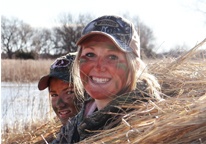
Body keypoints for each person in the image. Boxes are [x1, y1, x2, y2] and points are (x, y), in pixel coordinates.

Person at [53, 15, 161, 143]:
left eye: (112, 57)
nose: (98, 67)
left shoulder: (148, 124)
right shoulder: (77, 122)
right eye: (90, 54)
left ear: (136, 67)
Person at [38, 53, 82, 126]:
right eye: (54, 95)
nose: (59, 105)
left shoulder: (100, 131)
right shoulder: (66, 134)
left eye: (69, 92)